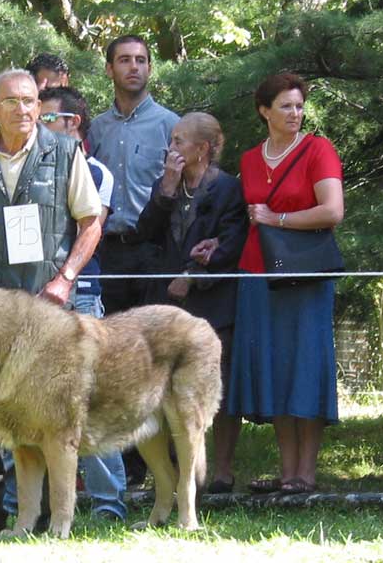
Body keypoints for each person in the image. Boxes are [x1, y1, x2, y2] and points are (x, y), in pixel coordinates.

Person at [0, 68, 102, 533]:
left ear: (40, 106)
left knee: (51, 411)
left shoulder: (63, 151)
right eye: (12, 101)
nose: (23, 109)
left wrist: (66, 279)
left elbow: (91, 221)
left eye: (30, 101)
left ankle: (57, 514)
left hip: (46, 304)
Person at [227, 73, 344, 494]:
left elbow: (332, 211)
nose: (295, 113)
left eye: (299, 105)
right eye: (285, 106)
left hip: (306, 274)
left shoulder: (318, 149)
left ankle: (305, 474)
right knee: (275, 367)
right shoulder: (249, 160)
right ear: (265, 111)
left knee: (306, 365)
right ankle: (286, 470)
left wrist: (278, 219)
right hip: (258, 272)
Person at [137, 112, 248, 493]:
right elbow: (145, 231)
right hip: (166, 301)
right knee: (163, 385)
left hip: (212, 299)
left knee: (217, 384)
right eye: (172, 140)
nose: (172, 148)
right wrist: (166, 189)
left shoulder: (228, 188)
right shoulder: (166, 183)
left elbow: (233, 242)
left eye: (179, 141)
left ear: (202, 149)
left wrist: (196, 273)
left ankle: (221, 470)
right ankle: (171, 473)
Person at [87, 34, 179, 485]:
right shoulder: (96, 128)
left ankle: (167, 465)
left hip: (153, 251)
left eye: (142, 60)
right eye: (124, 60)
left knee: (153, 357)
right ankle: (123, 465)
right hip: (106, 252)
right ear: (110, 69)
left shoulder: (169, 124)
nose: (134, 67)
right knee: (112, 358)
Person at [39, 85, 127, 521]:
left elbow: (89, 232)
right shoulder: (26, 166)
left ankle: (108, 504)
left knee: (89, 401)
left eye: (45, 119)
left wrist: (63, 280)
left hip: (80, 298)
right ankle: (32, 507)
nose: (35, 126)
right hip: (31, 300)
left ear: (71, 124)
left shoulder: (96, 173)